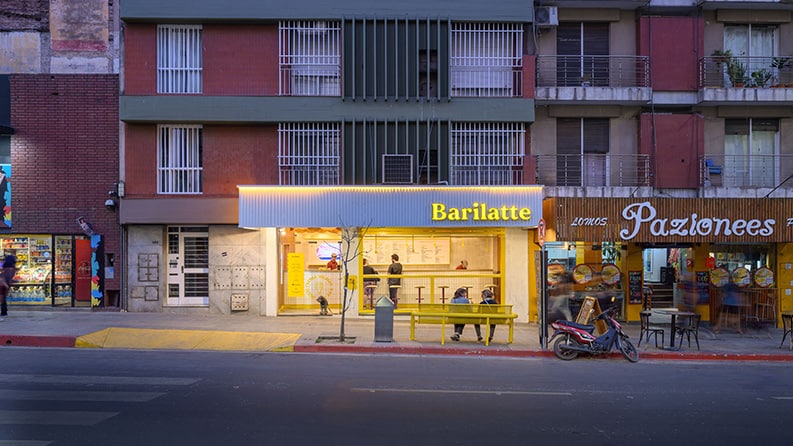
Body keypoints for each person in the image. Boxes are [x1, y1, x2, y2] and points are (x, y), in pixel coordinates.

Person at [0, 255, 16, 320]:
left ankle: (4, 311)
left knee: (2, 297)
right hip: (4, 283)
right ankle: (4, 311)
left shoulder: (5, 266)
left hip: (3, 284)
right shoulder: (12, 268)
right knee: (3, 297)